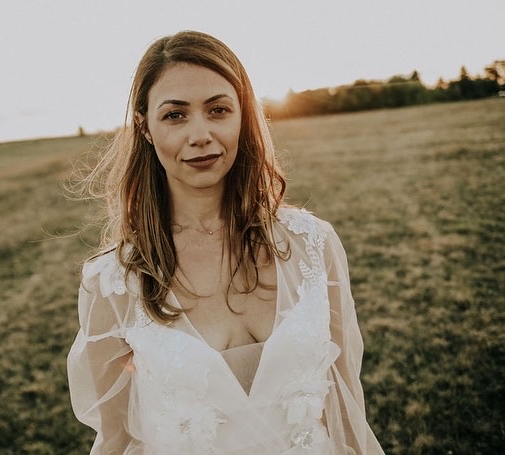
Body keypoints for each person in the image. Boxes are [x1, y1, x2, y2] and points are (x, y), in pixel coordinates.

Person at [67, 30, 384, 454]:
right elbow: (118, 441)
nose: (200, 134)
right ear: (144, 128)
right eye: (175, 115)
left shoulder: (313, 245)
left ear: (242, 116)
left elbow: (346, 410)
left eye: (218, 110)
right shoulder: (112, 282)